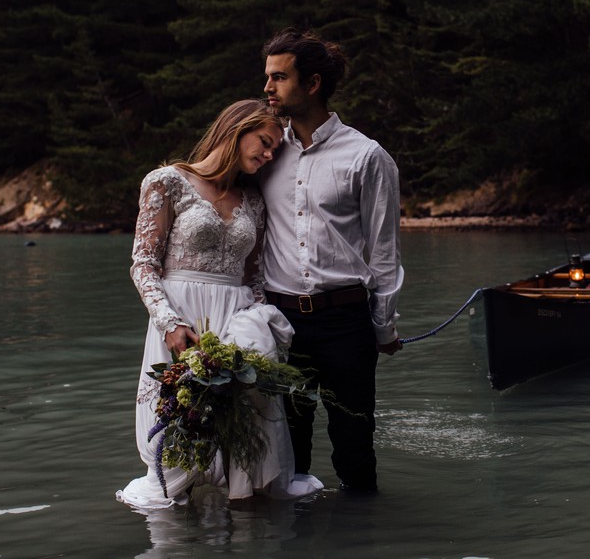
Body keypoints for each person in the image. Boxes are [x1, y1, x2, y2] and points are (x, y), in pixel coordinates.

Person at [116, 98, 323, 509]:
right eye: (264, 142)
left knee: (244, 429)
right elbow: (143, 265)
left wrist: (270, 341)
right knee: (182, 431)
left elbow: (254, 276)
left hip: (238, 319)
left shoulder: (253, 200)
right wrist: (169, 323)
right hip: (181, 318)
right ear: (236, 129)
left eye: (274, 151)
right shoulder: (166, 181)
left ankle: (246, 529)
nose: (267, 155)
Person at [258, 27, 404, 494]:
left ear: (313, 83)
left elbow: (383, 255)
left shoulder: (367, 157)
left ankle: (360, 537)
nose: (267, 88)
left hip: (346, 320)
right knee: (285, 450)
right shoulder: (264, 152)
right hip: (279, 322)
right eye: (268, 77)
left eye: (279, 78)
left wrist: (383, 328)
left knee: (355, 448)